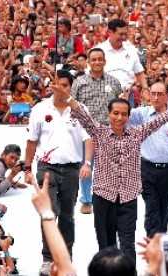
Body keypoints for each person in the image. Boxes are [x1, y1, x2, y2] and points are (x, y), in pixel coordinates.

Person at [53, 75, 168, 262]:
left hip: (128, 198)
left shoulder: (138, 133)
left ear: (130, 117)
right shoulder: (99, 132)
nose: (120, 117)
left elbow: (163, 118)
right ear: (109, 114)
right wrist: (65, 96)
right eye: (115, 113)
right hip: (103, 196)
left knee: (128, 244)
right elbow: (81, 112)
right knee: (106, 246)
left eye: (124, 114)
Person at [24, 70, 92, 275]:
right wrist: (27, 168)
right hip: (47, 168)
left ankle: (66, 256)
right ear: (51, 86)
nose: (61, 88)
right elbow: (31, 140)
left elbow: (88, 138)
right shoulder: (40, 109)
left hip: (71, 169)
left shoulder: (79, 109)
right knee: (49, 211)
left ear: (70, 87)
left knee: (67, 215)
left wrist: (87, 163)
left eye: (65, 85)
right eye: (57, 84)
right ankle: (47, 258)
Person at [128, 82, 168, 237]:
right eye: (153, 93)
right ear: (148, 94)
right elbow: (123, 115)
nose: (156, 97)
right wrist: (124, 99)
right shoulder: (141, 114)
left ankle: (161, 241)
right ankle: (152, 242)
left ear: (166, 96)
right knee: (152, 207)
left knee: (165, 207)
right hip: (146, 168)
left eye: (160, 94)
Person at [71, 47, 122, 214]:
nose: (97, 62)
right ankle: (86, 200)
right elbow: (73, 106)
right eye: (93, 59)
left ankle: (108, 198)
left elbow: (121, 107)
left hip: (109, 131)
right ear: (88, 62)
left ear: (105, 61)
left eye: (100, 59)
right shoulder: (79, 82)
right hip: (87, 133)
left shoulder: (114, 82)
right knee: (86, 166)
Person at [94, 19, 149, 107]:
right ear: (110, 32)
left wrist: (145, 88)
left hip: (127, 96)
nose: (123, 37)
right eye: (120, 34)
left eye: (125, 34)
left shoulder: (131, 49)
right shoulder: (99, 50)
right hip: (104, 96)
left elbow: (139, 72)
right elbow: (92, 75)